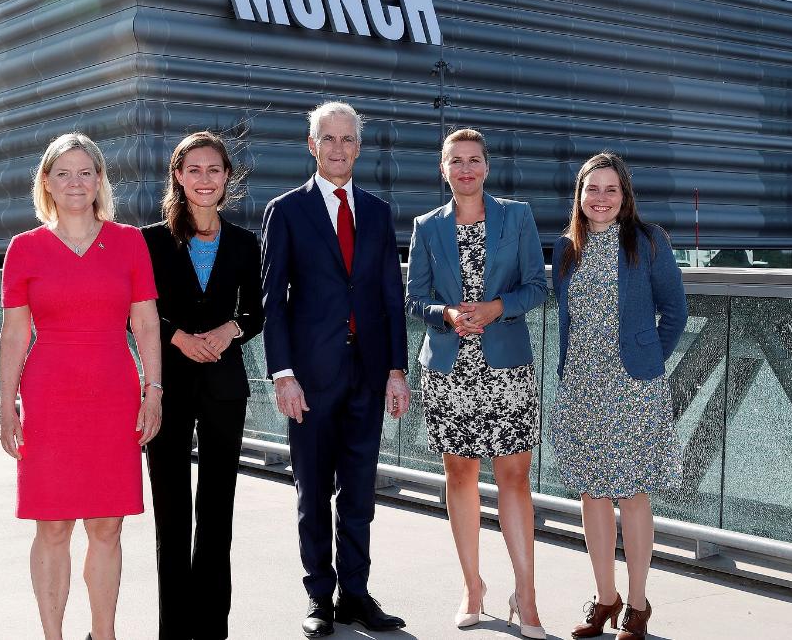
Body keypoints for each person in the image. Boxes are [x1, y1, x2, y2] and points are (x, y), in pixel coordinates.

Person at [0, 132, 162, 640]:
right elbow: (15, 333)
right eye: (63, 173)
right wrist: (6, 407)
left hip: (114, 394)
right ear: (46, 182)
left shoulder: (130, 242)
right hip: (49, 398)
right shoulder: (24, 249)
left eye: (85, 172)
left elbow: (147, 324)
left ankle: (105, 634)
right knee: (52, 524)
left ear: (99, 181)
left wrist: (153, 390)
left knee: (108, 525)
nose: (75, 182)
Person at [260, 101, 410, 638]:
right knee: (312, 491)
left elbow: (391, 298)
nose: (339, 148)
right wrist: (282, 374)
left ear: (359, 148)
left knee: (359, 491)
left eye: (348, 139)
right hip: (310, 379)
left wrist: (397, 369)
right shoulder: (286, 211)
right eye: (329, 139)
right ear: (312, 145)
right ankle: (319, 596)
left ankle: (355, 593)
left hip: (368, 376)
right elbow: (272, 301)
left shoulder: (377, 210)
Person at [405, 128, 548, 638]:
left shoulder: (518, 216)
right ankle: (473, 586)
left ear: (487, 167)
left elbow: (537, 286)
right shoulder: (426, 226)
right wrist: (444, 313)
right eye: (455, 161)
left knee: (514, 478)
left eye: (474, 160)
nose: (465, 168)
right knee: (460, 476)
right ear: (443, 169)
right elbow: (414, 299)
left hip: (507, 368)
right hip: (449, 370)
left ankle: (525, 594)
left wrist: (496, 308)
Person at [549, 152, 687, 640]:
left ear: (625, 195)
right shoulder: (567, 248)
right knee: (591, 493)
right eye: (592, 190)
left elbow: (675, 312)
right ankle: (604, 599)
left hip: (633, 390)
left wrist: (648, 362)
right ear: (580, 197)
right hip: (582, 387)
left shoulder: (649, 243)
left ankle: (638, 606)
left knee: (632, 494)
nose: (601, 199)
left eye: (611, 190)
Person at [141, 131, 264, 640]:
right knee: (171, 518)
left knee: (216, 513)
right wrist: (176, 338)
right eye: (194, 170)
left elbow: (256, 312)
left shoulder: (244, 242)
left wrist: (226, 330)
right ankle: (174, 629)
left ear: (227, 177)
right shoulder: (148, 240)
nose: (205, 179)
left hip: (223, 388)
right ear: (178, 175)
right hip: (167, 388)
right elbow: (138, 315)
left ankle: (213, 627)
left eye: (214, 170)